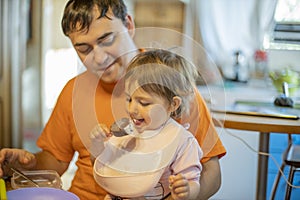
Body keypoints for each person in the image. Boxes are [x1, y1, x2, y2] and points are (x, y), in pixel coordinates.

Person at [0, 0, 226, 199]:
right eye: (84, 48)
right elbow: (56, 162)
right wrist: (27, 164)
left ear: (128, 24)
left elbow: (211, 173)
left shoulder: (172, 87)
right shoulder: (73, 91)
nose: (98, 58)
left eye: (106, 39)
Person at [90, 49, 203, 200]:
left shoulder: (182, 141)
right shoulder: (126, 130)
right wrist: (97, 143)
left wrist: (186, 190)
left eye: (144, 103)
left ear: (173, 104)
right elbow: (102, 161)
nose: (132, 109)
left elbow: (193, 181)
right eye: (129, 99)